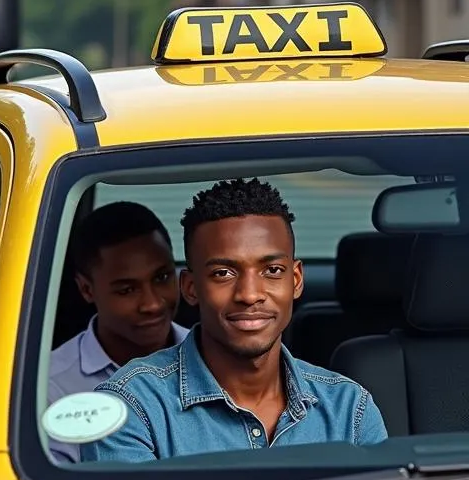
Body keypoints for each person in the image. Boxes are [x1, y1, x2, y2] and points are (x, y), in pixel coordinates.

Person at [79, 178, 388, 464]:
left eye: (272, 271)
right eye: (223, 274)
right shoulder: (129, 408)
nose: (250, 294)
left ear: (295, 281)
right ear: (189, 288)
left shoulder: (350, 410)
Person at [46, 201, 188, 463]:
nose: (152, 304)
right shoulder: (53, 389)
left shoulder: (217, 358)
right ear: (87, 290)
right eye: (126, 290)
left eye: (162, 277)